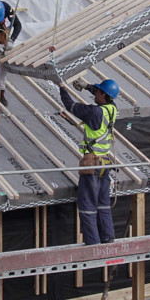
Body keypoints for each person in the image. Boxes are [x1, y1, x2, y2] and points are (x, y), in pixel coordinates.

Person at [58, 78, 120, 245]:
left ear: (103, 94)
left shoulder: (94, 112)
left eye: (97, 91)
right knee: (103, 203)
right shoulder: (112, 108)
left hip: (91, 163)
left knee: (87, 205)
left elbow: (70, 105)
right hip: (105, 163)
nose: (95, 93)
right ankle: (108, 237)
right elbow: (100, 93)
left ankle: (93, 243)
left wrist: (61, 87)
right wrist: (86, 86)